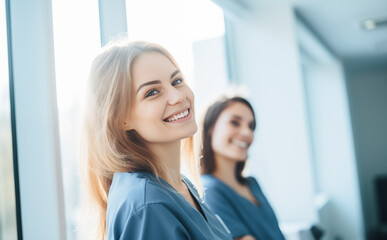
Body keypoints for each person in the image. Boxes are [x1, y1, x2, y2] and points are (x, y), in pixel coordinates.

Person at [80, 40, 232, 240]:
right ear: (121, 119)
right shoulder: (149, 205)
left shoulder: (176, 185)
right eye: (152, 92)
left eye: (177, 81)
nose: (177, 96)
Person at [200, 96, 286, 240]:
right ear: (210, 128)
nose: (247, 133)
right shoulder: (209, 190)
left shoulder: (252, 184)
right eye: (235, 122)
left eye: (251, 126)